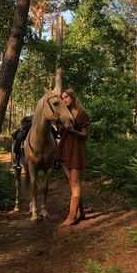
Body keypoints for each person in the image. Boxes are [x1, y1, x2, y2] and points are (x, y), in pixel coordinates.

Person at [56, 88, 90, 226]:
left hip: (76, 149)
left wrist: (73, 131)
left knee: (75, 182)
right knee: (71, 181)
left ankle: (71, 216)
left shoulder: (81, 113)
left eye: (66, 97)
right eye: (62, 98)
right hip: (65, 148)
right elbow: (60, 133)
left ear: (73, 98)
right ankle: (80, 212)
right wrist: (57, 123)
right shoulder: (64, 113)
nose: (64, 100)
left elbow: (85, 135)